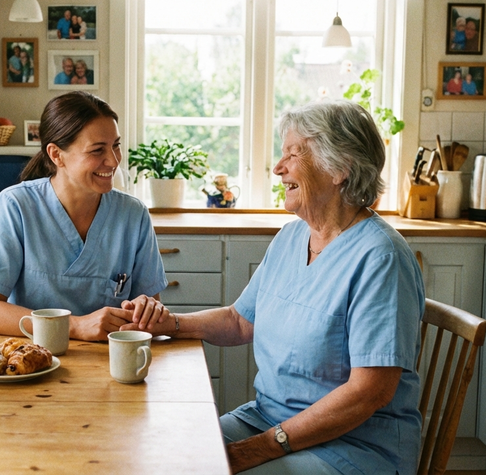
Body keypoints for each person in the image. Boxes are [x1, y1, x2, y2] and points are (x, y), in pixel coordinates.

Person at [146, 100, 424, 474]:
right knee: (163, 450)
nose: (278, 168)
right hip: (268, 419)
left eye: (294, 154)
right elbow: (240, 321)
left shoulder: (380, 257)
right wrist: (170, 325)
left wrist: (260, 448)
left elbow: (369, 392)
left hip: (354, 445)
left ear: (340, 167)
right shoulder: (292, 237)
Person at [0, 92, 170, 342]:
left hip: (109, 364)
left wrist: (147, 309)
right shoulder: (14, 206)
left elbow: (146, 311)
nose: (113, 161)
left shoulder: (133, 215)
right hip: (30, 363)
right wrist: (75, 326)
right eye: (97, 150)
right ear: (56, 155)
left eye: (116, 145)